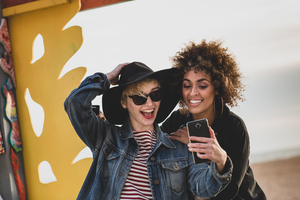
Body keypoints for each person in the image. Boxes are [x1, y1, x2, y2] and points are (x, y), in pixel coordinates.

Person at [64, 61, 233, 200]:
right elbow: (75, 103)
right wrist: (108, 78)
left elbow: (203, 189)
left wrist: (221, 162)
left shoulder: (179, 148)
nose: (150, 104)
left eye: (155, 95)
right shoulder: (106, 139)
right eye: (139, 97)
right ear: (124, 102)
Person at [161, 40, 267, 200]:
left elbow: (229, 192)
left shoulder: (234, 127)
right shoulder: (177, 121)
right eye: (187, 85)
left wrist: (197, 147)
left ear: (217, 87)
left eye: (202, 86)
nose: (192, 93)